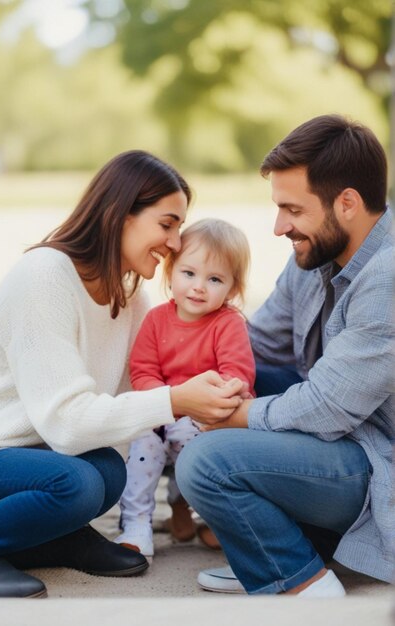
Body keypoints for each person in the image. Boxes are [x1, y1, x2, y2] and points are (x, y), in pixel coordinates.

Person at [0, 151, 245, 599]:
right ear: (121, 214)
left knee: (107, 472)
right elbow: (66, 422)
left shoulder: (131, 298)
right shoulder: (43, 277)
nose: (176, 242)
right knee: (76, 483)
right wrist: (177, 399)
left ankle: (54, 537)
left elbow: (134, 400)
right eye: (167, 224)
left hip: (44, 459)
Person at [176, 114, 395, 597]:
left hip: (380, 457)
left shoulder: (388, 276)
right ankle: (267, 550)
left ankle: (298, 580)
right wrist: (177, 379)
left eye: (292, 210)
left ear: (348, 203)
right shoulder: (316, 253)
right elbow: (255, 346)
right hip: (345, 433)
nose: (279, 227)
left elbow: (325, 407)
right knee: (220, 377)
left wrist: (231, 414)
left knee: (205, 462)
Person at [114, 218, 255, 558]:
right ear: (171, 271)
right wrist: (167, 408)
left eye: (215, 279)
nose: (199, 287)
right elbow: (143, 371)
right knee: (142, 442)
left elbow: (237, 373)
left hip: (207, 419)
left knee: (207, 448)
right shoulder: (156, 319)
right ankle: (136, 523)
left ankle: (206, 515)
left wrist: (207, 407)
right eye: (189, 274)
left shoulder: (228, 324)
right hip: (162, 415)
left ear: (233, 289)